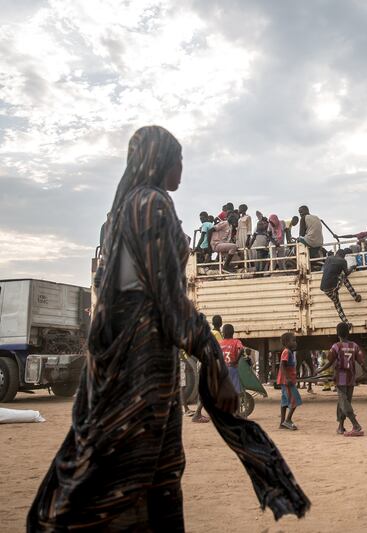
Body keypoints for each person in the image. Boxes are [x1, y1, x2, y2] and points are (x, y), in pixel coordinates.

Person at [28, 126, 309, 530]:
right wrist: (209, 355)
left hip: (127, 357)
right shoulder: (152, 204)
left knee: (139, 466)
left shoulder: (125, 208)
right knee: (144, 471)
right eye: (178, 159)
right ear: (160, 161)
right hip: (143, 359)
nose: (182, 168)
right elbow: (166, 295)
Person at [316, 322, 367, 436]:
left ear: (337, 333)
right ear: (348, 333)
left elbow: (329, 362)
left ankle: (356, 425)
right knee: (345, 401)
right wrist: (365, 370)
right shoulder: (354, 346)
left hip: (341, 376)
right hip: (351, 377)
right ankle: (341, 426)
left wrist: (319, 370)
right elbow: (361, 361)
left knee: (343, 402)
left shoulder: (336, 346)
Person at [320, 249, 362, 324]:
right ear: (343, 256)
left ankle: (346, 323)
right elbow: (346, 273)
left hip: (324, 288)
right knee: (344, 277)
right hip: (333, 286)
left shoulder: (329, 258)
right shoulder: (343, 261)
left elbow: (326, 270)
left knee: (337, 305)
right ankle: (355, 297)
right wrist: (352, 267)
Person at [278, 331, 302, 430]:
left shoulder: (289, 352)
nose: (295, 343)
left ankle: (282, 423)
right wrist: (287, 378)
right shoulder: (287, 352)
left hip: (286, 381)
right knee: (295, 400)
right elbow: (282, 365)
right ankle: (288, 420)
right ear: (287, 342)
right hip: (287, 381)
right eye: (293, 341)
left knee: (284, 401)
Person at [219, 324, 245, 394]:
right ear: (233, 333)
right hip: (232, 368)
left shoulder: (219, 343)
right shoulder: (236, 341)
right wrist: (236, 361)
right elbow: (242, 349)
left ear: (223, 333)